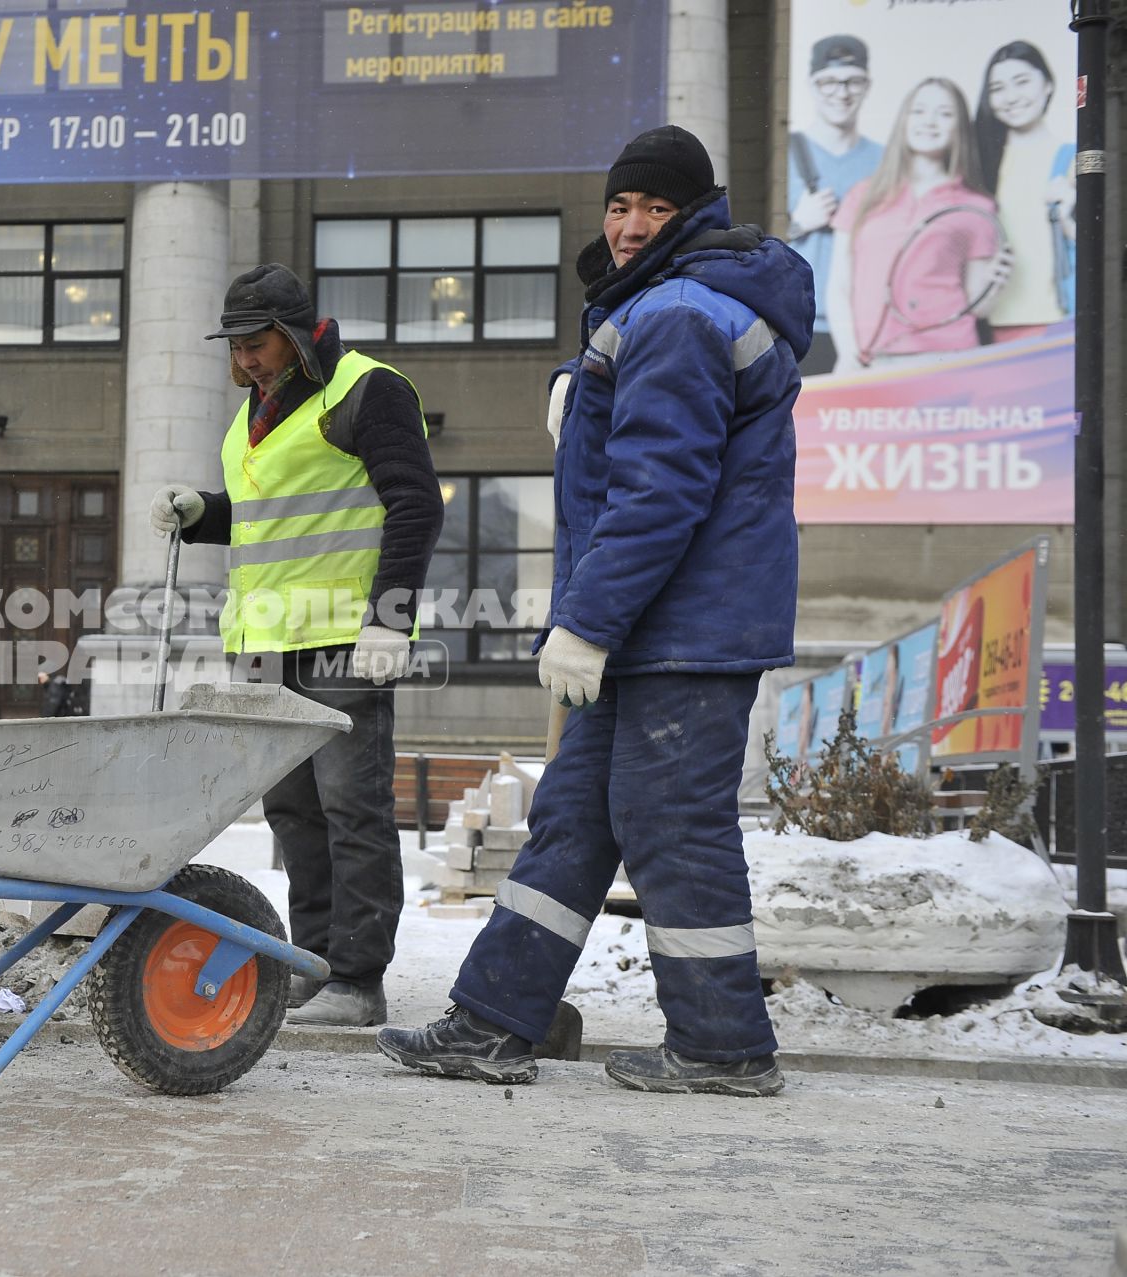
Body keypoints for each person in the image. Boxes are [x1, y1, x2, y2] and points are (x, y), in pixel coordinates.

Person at [377, 126, 812, 1095]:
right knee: (571, 821)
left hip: (683, 632)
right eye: (619, 206)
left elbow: (659, 493)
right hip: (652, 627)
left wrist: (590, 621)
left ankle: (722, 1044)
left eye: (654, 208)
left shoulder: (680, 315)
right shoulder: (658, 307)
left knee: (674, 825)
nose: (629, 224)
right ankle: (493, 1020)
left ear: (692, 214)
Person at [151, 263, 441, 1028]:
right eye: (236, 346)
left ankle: (358, 976)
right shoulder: (256, 413)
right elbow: (269, 517)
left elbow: (414, 505)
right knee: (295, 813)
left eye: (258, 343)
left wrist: (389, 618)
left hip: (345, 639)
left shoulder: (365, 391)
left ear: (297, 333)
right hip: (265, 646)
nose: (244, 358)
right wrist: (204, 511)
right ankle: (316, 963)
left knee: (352, 807)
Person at [827, 78, 1011, 372]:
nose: (930, 122)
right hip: (873, 359)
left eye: (945, 113)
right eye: (919, 111)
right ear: (904, 119)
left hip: (950, 359)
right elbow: (839, 285)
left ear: (960, 128)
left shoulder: (978, 206)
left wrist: (995, 283)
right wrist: (848, 352)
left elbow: (978, 306)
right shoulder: (863, 195)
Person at [786, 34, 883, 375]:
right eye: (829, 82)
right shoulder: (783, 153)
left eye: (853, 81)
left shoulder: (885, 160)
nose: (841, 93)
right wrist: (796, 224)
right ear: (812, 86)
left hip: (866, 328)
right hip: (797, 324)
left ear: (867, 85)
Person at [974, 41, 1076, 340]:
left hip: (1058, 320)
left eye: (1022, 82)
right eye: (998, 88)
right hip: (991, 323)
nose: (1011, 97)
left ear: (1047, 84)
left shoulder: (1071, 158)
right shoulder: (980, 163)